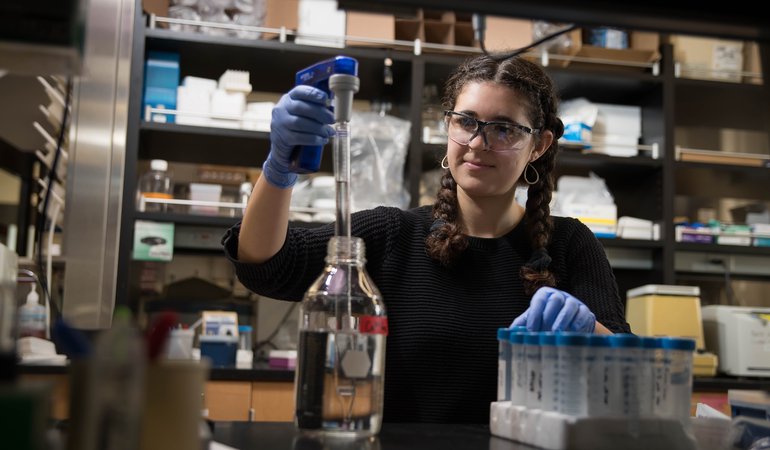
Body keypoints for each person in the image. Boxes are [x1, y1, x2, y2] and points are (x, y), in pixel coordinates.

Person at [222, 53, 631, 424]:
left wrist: (589, 333)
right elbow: (267, 265)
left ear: (538, 146)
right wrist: (279, 168)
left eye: (503, 129)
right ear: (448, 125)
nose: (476, 143)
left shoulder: (570, 244)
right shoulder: (391, 234)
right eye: (466, 122)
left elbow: (629, 375)